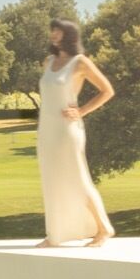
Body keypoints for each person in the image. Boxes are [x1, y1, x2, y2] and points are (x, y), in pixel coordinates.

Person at [37, 18, 115, 247]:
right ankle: (56, 235)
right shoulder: (49, 61)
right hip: (47, 129)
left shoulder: (80, 62)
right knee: (52, 179)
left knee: (78, 179)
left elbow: (107, 90)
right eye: (52, 30)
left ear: (69, 35)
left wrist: (81, 111)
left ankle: (103, 229)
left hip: (67, 130)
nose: (54, 35)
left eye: (58, 31)